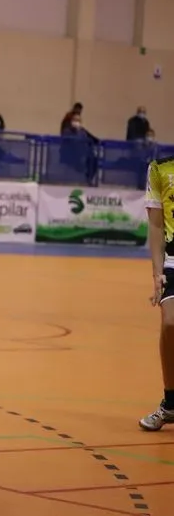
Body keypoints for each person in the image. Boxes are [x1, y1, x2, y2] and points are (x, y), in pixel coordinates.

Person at [139, 155, 174, 431]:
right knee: (170, 323)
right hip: (173, 262)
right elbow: (155, 225)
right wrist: (156, 273)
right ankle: (170, 403)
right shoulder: (159, 168)